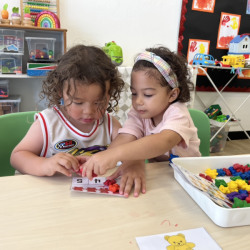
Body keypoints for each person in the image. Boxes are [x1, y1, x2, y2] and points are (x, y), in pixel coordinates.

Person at [80, 46, 201, 179]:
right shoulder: (139, 112)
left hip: (192, 175)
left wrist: (114, 155)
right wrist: (101, 158)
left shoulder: (178, 113)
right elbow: (126, 137)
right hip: (163, 175)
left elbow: (164, 141)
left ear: (172, 94)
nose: (138, 101)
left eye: (148, 94)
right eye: (134, 93)